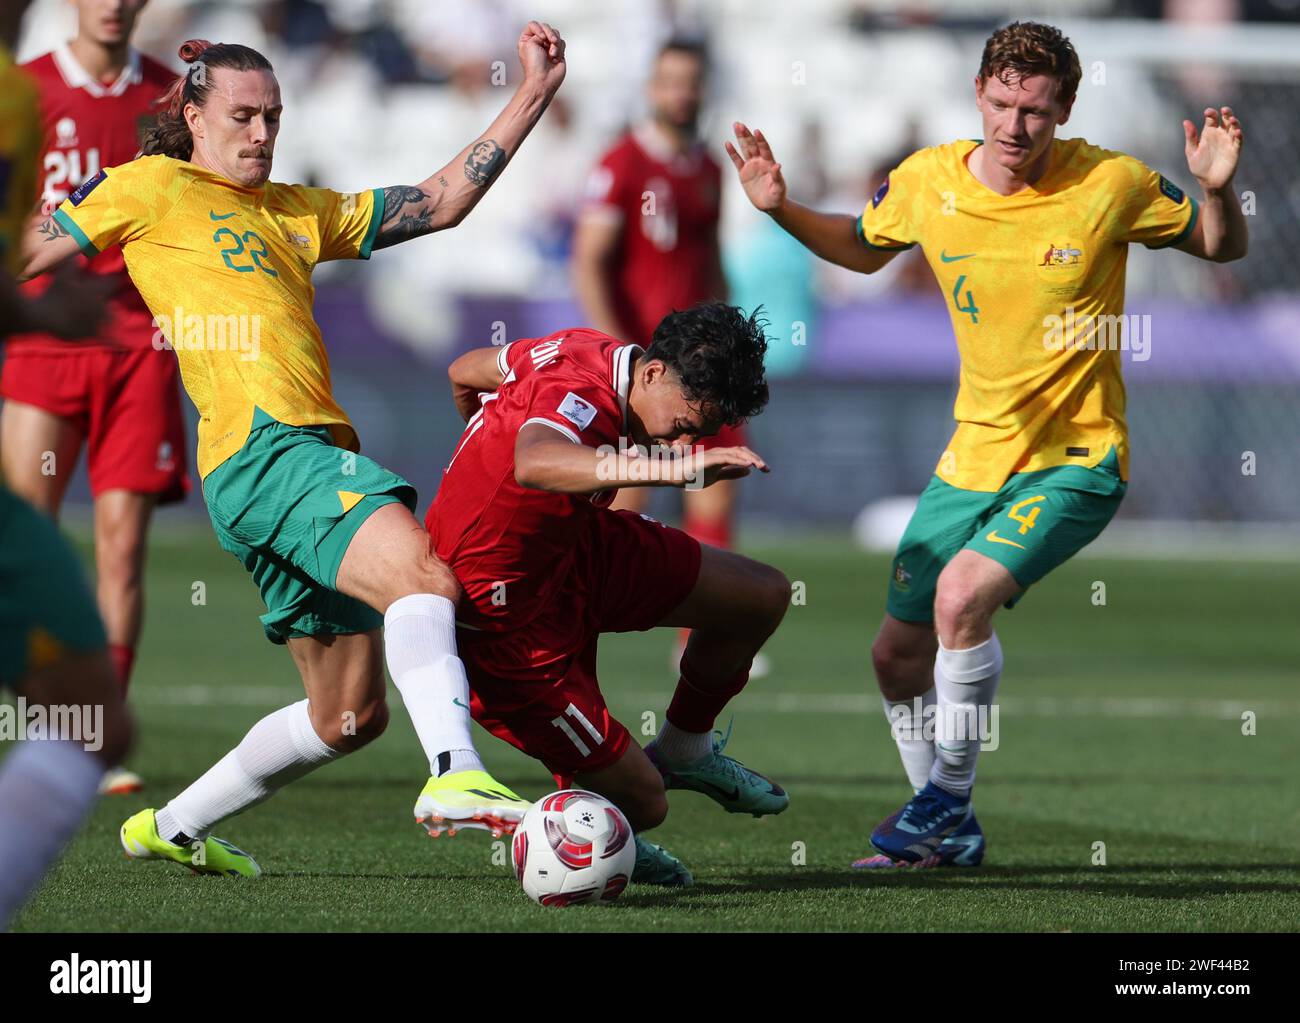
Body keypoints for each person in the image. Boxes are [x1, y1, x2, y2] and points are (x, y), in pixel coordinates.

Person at [22, 22, 570, 875]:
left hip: (276, 467)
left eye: (274, 116)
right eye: (243, 115)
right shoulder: (147, 186)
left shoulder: (296, 210)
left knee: (348, 714)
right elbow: (29, 253)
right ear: (194, 118)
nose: (262, 133)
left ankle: (171, 825)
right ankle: (455, 774)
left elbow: (441, 201)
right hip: (268, 450)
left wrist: (532, 92)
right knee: (423, 577)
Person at [725, 20, 1247, 867]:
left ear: (1064, 109)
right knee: (896, 656)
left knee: (960, 598)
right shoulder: (930, 180)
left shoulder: (1110, 182)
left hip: (1077, 457)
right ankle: (947, 834)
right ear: (979, 95)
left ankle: (943, 803)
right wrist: (780, 206)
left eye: (1035, 111)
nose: (1014, 127)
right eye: (1002, 104)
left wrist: (1219, 192)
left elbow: (1223, 244)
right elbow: (862, 251)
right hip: (972, 457)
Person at [431, 304, 790, 883]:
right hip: (502, 618)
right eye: (687, 421)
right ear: (652, 375)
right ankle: (592, 838)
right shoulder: (581, 390)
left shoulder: (586, 348)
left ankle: (685, 748)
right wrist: (675, 471)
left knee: (761, 594)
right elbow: (535, 460)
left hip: (577, 547)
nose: (688, 439)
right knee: (647, 804)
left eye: (701, 433)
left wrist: (483, 435)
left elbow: (464, 371)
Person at [3, 0, 185, 798]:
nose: (113, 4)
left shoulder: (175, 98)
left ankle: (91, 735)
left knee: (121, 547)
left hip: (137, 345)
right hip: (44, 339)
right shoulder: (25, 89)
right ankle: (30, 720)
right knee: (25, 533)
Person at [0, 0, 133, 929]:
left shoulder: (15, 100)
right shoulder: (24, 95)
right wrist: (44, 318)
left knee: (94, 719)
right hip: (42, 362)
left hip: (124, 354)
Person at [572, 39, 751, 670]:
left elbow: (711, 258)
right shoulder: (622, 163)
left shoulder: (706, 167)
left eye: (691, 82)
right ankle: (580, 624)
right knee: (626, 498)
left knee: (714, 491)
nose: (681, 93)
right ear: (652, 88)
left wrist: (729, 334)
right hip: (645, 371)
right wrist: (616, 347)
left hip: (705, 369)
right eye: (669, 81)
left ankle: (693, 643)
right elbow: (590, 261)